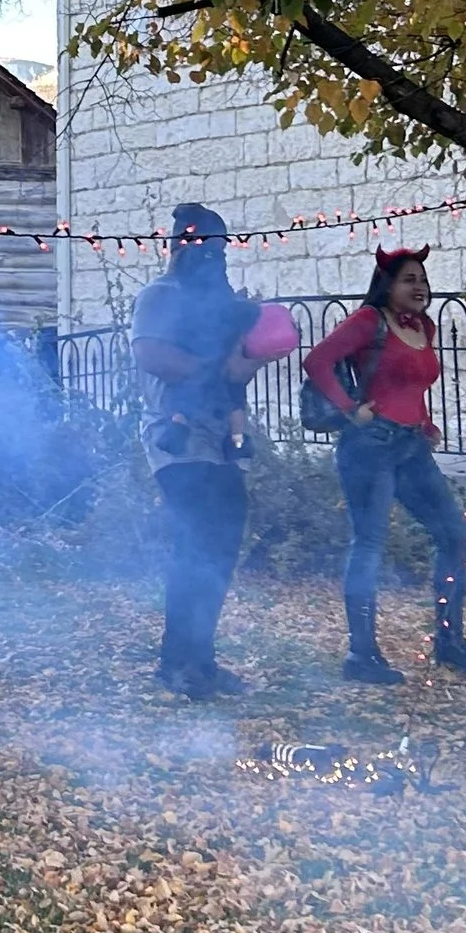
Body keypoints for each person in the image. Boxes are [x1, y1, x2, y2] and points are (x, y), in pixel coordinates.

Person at [304, 245, 466, 681]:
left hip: (411, 447)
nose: (419, 287)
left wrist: (424, 422)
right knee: (369, 544)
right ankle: (361, 656)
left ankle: (449, 642)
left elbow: (411, 384)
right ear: (387, 285)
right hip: (370, 446)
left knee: (452, 532)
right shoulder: (368, 322)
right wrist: (350, 408)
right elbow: (317, 362)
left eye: (422, 280)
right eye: (409, 279)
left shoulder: (423, 326)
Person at [131, 203, 267, 699]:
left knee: (220, 547)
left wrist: (251, 348)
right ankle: (176, 664)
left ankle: (201, 659)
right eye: (197, 241)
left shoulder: (221, 302)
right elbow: (152, 355)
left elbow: (237, 370)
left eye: (215, 243)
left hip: (220, 438)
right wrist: (214, 366)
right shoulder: (160, 296)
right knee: (196, 546)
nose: (208, 252)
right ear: (176, 245)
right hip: (176, 435)